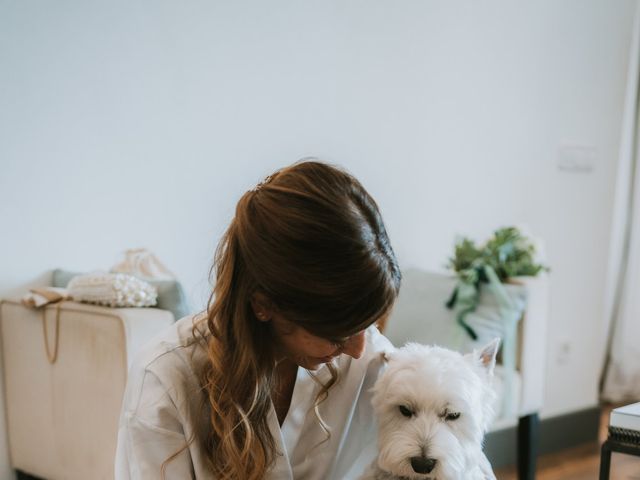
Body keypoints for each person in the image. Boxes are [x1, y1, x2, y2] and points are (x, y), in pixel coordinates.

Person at [115, 160, 402, 479]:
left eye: (368, 324)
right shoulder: (165, 380)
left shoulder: (377, 367)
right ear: (264, 304)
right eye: (336, 333)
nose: (359, 349)